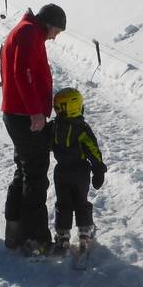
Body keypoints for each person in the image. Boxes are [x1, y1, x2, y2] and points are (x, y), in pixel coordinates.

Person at [0, 3, 66, 253]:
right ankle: (35, 240)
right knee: (36, 176)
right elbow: (23, 72)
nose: (55, 37)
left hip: (18, 113)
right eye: (57, 31)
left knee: (25, 171)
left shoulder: (28, 30)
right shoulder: (29, 32)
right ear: (49, 23)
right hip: (24, 116)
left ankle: (15, 233)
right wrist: (35, 111)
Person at [50, 87, 106, 254]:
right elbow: (93, 149)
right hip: (81, 172)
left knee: (63, 203)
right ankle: (85, 232)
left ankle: (63, 236)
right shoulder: (82, 128)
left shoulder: (53, 127)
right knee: (81, 201)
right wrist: (98, 169)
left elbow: (45, 143)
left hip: (61, 171)